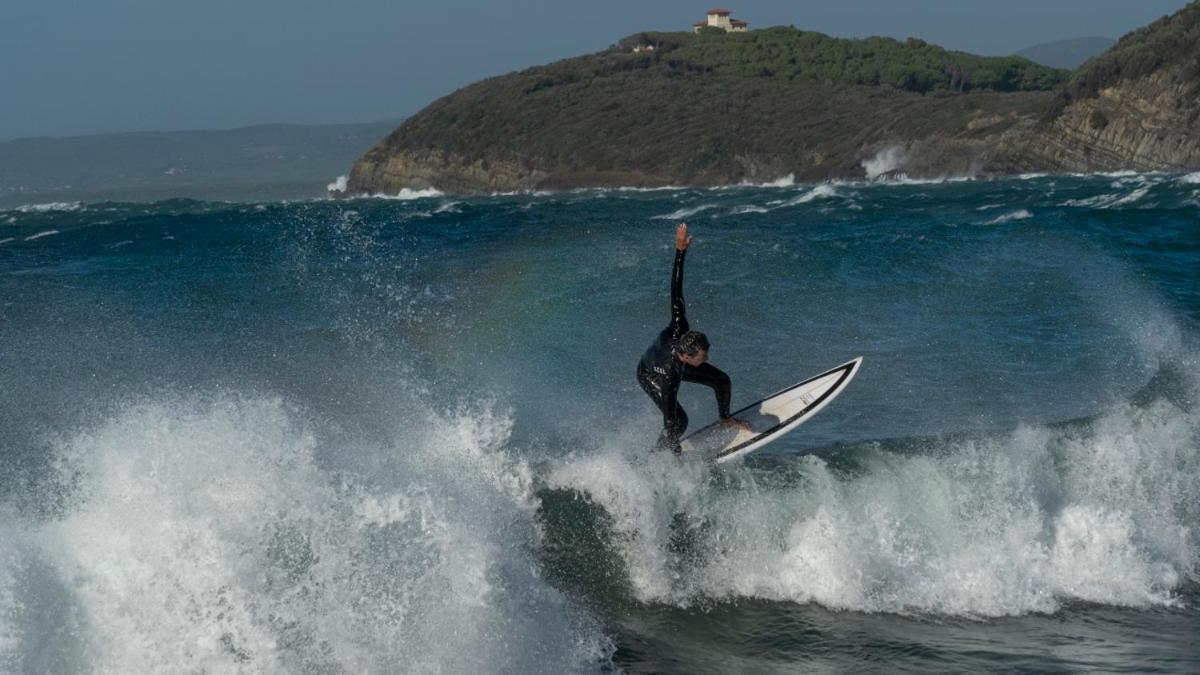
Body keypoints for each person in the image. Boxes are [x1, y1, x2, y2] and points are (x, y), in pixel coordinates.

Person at [637, 223, 750, 454]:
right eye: (703, 356)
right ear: (688, 356)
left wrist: (680, 252)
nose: (707, 358)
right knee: (678, 422)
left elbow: (676, 290)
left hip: (674, 363)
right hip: (650, 373)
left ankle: (726, 419)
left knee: (721, 380)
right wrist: (677, 458)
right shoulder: (670, 377)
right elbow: (668, 420)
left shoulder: (681, 326)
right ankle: (656, 455)